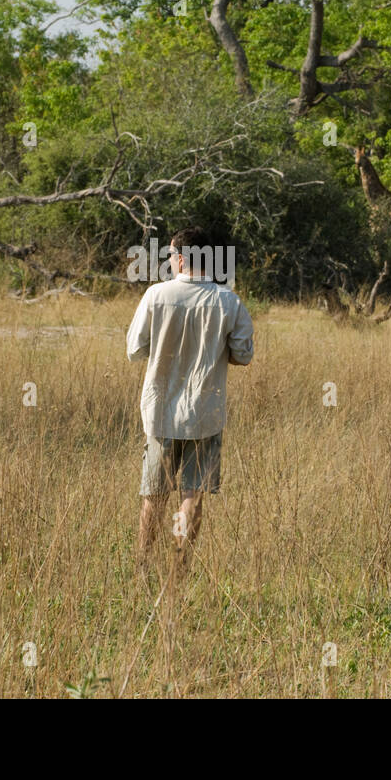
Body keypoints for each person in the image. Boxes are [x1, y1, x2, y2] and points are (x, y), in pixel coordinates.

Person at [126, 226, 254, 579]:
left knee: (154, 493)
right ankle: (180, 567)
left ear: (180, 258)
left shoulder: (155, 296)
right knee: (192, 493)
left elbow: (134, 350)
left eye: (170, 255)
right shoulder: (229, 301)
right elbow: (243, 355)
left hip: (160, 412)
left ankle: (142, 566)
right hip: (205, 412)